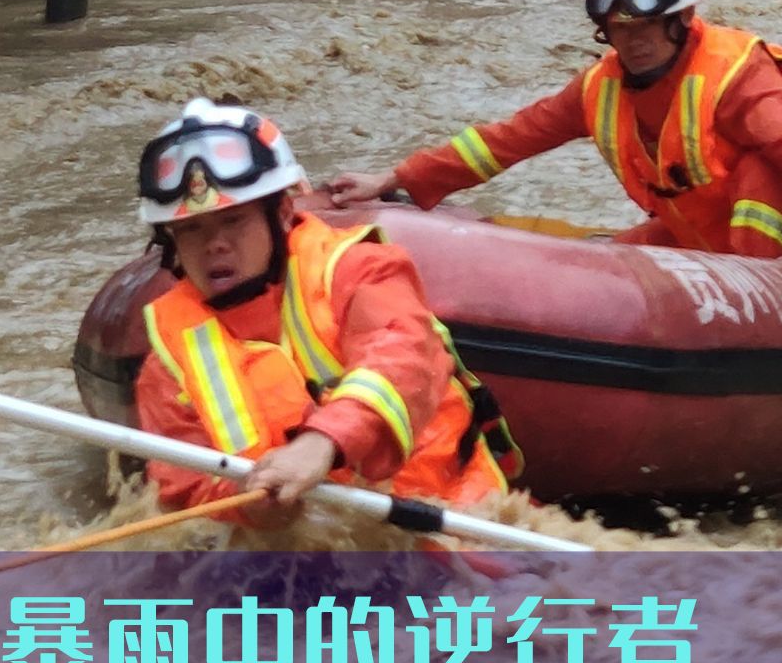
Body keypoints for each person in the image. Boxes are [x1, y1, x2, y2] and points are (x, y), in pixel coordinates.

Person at [330, 0, 782, 258]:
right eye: (621, 29)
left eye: (647, 26)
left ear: (681, 19)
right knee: (608, 261)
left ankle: (759, 310)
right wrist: (396, 178)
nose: (634, 42)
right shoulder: (599, 88)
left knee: (762, 172)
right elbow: (505, 141)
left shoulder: (735, 72)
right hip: (699, 233)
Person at [133, 98, 521, 529]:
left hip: (451, 515)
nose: (214, 245)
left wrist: (322, 443)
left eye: (234, 222)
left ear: (281, 213)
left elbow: (402, 357)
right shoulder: (168, 360)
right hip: (313, 547)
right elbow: (183, 487)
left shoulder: (358, 270)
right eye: (192, 230)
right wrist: (245, 503)